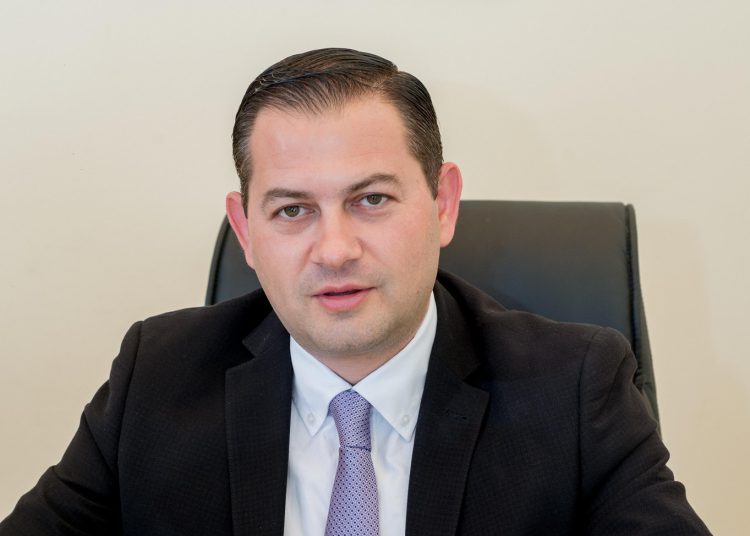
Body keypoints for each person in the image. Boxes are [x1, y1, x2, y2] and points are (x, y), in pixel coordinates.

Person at [0, 48, 709, 535]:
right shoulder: (156, 376)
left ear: (442, 205)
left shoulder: (575, 390)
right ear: (246, 232)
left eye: (371, 200)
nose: (334, 249)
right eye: (292, 210)